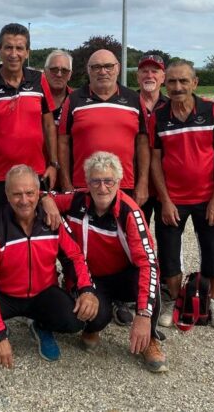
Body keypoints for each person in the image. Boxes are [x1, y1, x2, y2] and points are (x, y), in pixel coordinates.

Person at [0, 165, 99, 367]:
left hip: (42, 293)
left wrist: (86, 289)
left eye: (30, 193)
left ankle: (40, 325)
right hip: (5, 296)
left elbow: (74, 256)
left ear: (38, 193)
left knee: (75, 320)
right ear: (7, 195)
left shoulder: (52, 220)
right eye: (17, 194)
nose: (24, 200)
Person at [44, 151, 167, 372]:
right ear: (87, 183)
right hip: (91, 277)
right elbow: (39, 194)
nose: (102, 188)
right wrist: (47, 200)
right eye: (96, 181)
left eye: (109, 181)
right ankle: (93, 326)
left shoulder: (130, 212)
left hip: (123, 274)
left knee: (150, 278)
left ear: (118, 182)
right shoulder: (77, 199)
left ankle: (149, 338)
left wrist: (143, 315)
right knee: (96, 316)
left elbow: (147, 263)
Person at [58, 49, 150, 326]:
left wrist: (143, 183)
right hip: (83, 186)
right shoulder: (75, 99)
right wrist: (66, 183)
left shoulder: (133, 99)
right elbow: (63, 141)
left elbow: (143, 142)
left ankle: (121, 297)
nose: (103, 71)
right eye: (96, 67)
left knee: (124, 245)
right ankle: (79, 285)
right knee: (82, 244)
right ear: (88, 70)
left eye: (108, 66)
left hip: (125, 186)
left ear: (118, 68)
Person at [149, 61, 214, 330]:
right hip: (172, 200)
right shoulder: (158, 117)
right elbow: (155, 161)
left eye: (183, 81)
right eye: (172, 82)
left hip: (208, 197)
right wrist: (165, 200)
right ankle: (174, 301)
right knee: (169, 253)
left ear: (194, 83)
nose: (177, 87)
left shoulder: (212, 111)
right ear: (165, 84)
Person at [0, 23, 58, 225]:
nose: (13, 54)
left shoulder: (39, 80)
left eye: (19, 48)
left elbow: (48, 125)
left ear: (27, 52)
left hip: (35, 172)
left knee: (36, 229)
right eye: (8, 47)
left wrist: (53, 164)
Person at [136, 54, 169, 225]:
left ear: (163, 77)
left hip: (166, 183)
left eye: (155, 71)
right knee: (137, 233)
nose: (149, 75)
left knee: (168, 234)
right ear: (137, 76)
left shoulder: (172, 105)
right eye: (144, 71)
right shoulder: (128, 104)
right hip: (135, 182)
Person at [44, 49, 73, 127]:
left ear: (70, 75)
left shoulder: (77, 100)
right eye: (54, 70)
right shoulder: (34, 98)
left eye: (64, 70)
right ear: (45, 71)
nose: (59, 75)